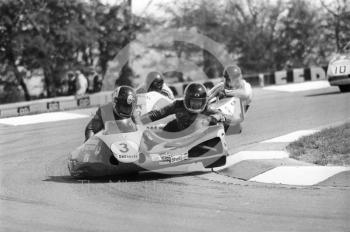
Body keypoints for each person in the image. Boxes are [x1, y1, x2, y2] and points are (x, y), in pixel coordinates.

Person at [141, 82, 230, 132]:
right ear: (187, 100)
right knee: (169, 127)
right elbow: (158, 114)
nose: (196, 105)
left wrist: (214, 118)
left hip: (200, 134)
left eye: (199, 102)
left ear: (203, 101)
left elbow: (220, 114)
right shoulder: (177, 105)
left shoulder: (207, 108)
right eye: (193, 102)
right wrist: (139, 120)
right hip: (181, 132)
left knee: (218, 124)